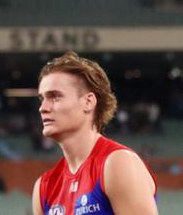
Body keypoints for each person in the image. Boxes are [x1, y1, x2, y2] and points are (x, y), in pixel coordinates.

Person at [31, 51, 157, 215]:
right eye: (42, 99)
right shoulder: (44, 187)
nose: (43, 108)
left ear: (88, 102)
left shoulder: (118, 163)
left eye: (55, 97)